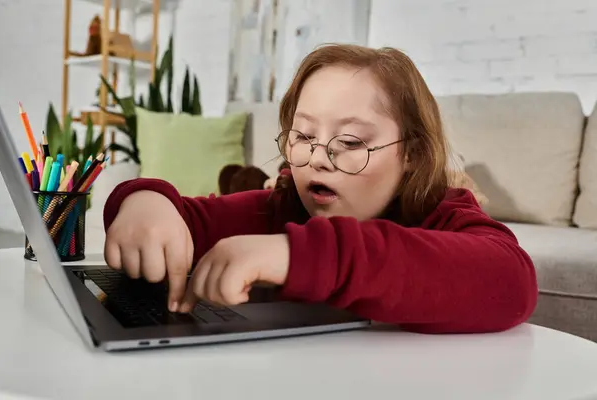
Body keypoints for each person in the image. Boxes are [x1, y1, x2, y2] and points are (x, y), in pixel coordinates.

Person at [102, 44, 538, 334]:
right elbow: (186, 218)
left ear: (412, 155)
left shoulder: (442, 213)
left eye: (350, 142)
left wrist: (299, 255)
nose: (318, 158)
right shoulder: (283, 204)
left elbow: (510, 281)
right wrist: (144, 201)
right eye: (303, 136)